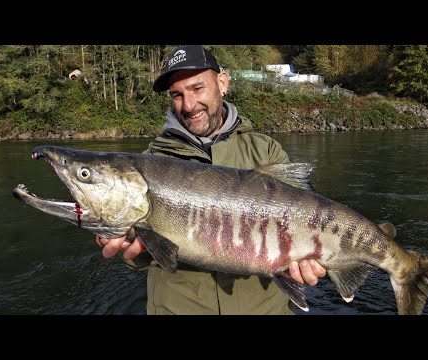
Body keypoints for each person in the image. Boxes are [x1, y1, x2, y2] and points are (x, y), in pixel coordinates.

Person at [95, 45, 327, 315]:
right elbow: (147, 256)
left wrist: (307, 261)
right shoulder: (147, 164)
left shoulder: (266, 151)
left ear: (222, 83)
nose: (189, 105)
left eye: (197, 88)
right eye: (177, 95)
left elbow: (305, 221)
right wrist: (128, 246)